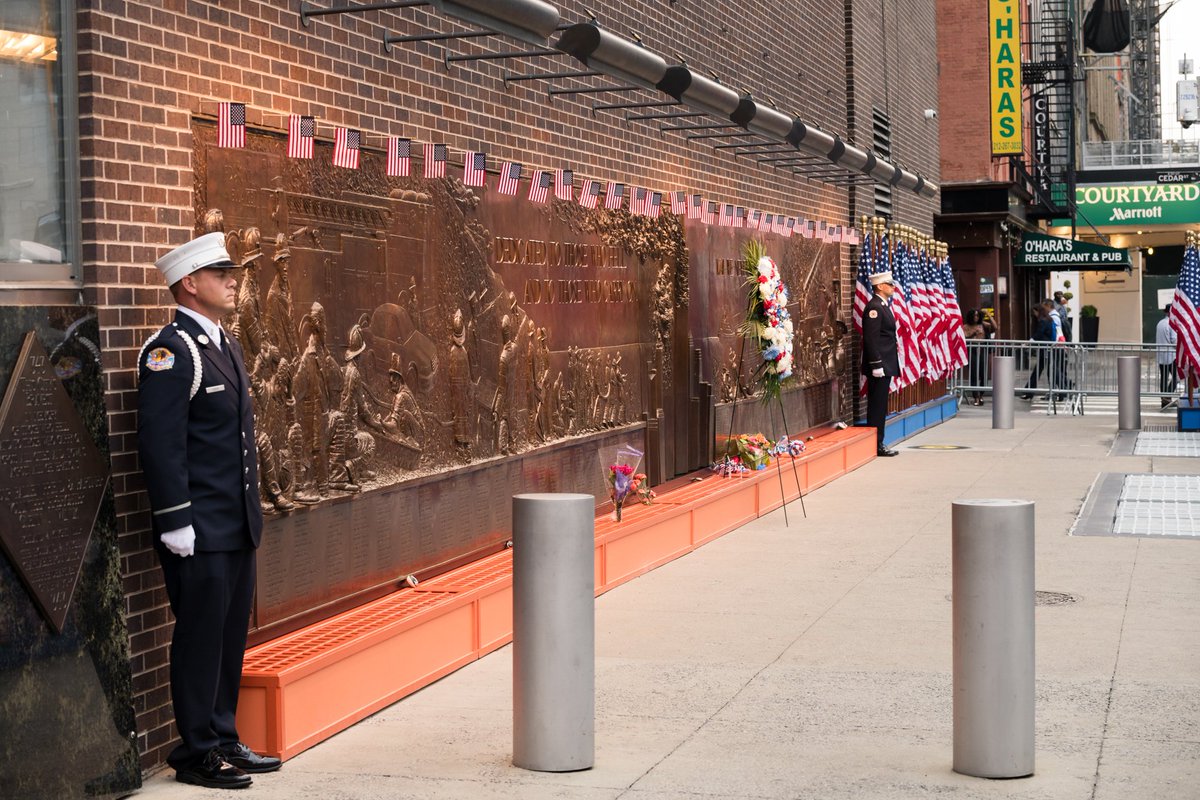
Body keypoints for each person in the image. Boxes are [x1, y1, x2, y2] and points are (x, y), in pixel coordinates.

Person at [137, 232, 282, 789]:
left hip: (235, 524)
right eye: (221, 273)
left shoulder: (223, 343)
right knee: (200, 638)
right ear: (190, 284)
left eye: (232, 272)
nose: (233, 280)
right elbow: (160, 443)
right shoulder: (170, 351)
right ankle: (195, 751)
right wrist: (175, 520)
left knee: (227, 639)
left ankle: (222, 736)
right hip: (196, 531)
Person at [862, 271, 900, 456]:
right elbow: (870, 339)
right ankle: (876, 444)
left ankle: (878, 442)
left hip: (885, 364)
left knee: (881, 404)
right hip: (879, 366)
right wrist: (876, 364)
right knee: (877, 406)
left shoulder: (883, 305)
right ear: (880, 286)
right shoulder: (874, 307)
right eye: (890, 284)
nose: (893, 287)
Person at [961, 309, 990, 405]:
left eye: (977, 315)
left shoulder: (983, 325)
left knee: (983, 374)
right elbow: (964, 338)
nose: (976, 317)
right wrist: (974, 333)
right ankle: (976, 397)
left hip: (981, 350)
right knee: (974, 374)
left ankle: (981, 395)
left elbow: (994, 327)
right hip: (971, 351)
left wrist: (989, 315)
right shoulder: (965, 327)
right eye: (974, 315)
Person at [1156, 304, 1178, 408]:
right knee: (1176, 376)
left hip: (1161, 356)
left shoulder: (1160, 323)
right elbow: (1174, 340)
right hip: (1170, 356)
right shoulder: (1171, 324)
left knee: (1164, 378)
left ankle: (1164, 401)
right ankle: (1167, 397)